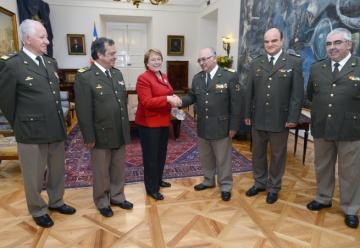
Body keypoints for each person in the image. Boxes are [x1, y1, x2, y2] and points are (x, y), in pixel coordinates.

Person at [0, 19, 76, 228]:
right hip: (30, 131)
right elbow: (6, 102)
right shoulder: (11, 64)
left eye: (46, 36)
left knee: (56, 170)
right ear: (28, 38)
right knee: (33, 176)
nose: (47, 40)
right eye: (42, 37)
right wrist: (21, 126)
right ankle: (37, 209)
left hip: (55, 127)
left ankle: (56, 201)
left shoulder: (50, 62)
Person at [306, 28, 360, 229]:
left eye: (337, 43)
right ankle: (323, 197)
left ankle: (350, 208)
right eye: (328, 44)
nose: (332, 48)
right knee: (322, 166)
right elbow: (311, 94)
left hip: (351, 129)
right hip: (322, 126)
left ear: (348, 44)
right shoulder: (317, 68)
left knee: (350, 171)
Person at [74, 37, 133, 218]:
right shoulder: (85, 76)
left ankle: (117, 196)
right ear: (99, 54)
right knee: (101, 170)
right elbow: (83, 110)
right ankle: (102, 200)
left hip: (119, 129)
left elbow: (121, 102)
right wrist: (89, 137)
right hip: (100, 133)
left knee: (118, 167)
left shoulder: (117, 74)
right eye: (112, 53)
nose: (116, 56)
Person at [244, 27, 304, 204]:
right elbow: (249, 92)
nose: (270, 44)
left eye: (274, 40)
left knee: (278, 155)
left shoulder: (293, 62)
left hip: (281, 118)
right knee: (258, 153)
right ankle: (259, 183)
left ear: (282, 41)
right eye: (266, 41)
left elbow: (297, 94)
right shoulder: (256, 63)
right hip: (258, 118)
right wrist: (247, 113)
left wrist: (293, 118)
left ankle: (274, 187)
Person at [180, 47, 242, 201]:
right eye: (199, 60)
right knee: (206, 156)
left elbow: (236, 104)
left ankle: (226, 185)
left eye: (204, 59)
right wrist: (180, 101)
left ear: (214, 58)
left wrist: (234, 126)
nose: (201, 63)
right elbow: (192, 97)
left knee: (223, 158)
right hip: (203, 125)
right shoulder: (197, 78)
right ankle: (208, 181)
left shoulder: (229, 77)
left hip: (222, 126)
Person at [135, 48, 181, 200]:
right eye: (153, 59)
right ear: (147, 63)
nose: (156, 62)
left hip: (163, 121)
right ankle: (151, 188)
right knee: (151, 157)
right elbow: (147, 102)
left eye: (158, 59)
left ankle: (158, 180)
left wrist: (173, 97)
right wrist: (168, 99)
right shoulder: (143, 78)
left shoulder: (163, 76)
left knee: (161, 154)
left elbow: (168, 92)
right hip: (149, 124)